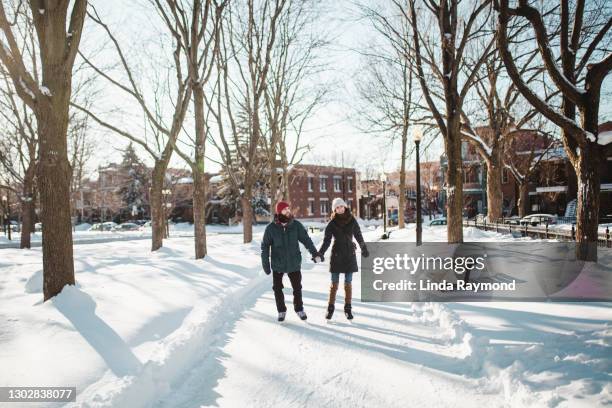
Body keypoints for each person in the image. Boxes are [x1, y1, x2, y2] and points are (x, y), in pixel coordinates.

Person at [261, 201, 320, 322]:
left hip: (294, 262)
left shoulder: (296, 225)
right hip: (278, 263)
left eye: (288, 208)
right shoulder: (271, 228)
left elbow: (306, 240)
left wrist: (315, 253)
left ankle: (299, 309)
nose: (288, 211)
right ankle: (281, 310)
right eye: (284, 209)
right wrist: (265, 264)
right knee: (277, 288)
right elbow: (265, 247)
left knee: (297, 287)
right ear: (279, 212)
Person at [317, 198, 368, 320]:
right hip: (337, 255)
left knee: (348, 283)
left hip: (349, 254)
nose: (340, 209)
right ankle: (330, 308)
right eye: (337, 207)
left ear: (345, 207)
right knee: (334, 284)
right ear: (334, 210)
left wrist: (364, 248)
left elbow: (358, 235)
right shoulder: (332, 223)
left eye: (341, 206)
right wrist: (321, 253)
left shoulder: (352, 220)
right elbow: (326, 241)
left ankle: (348, 308)